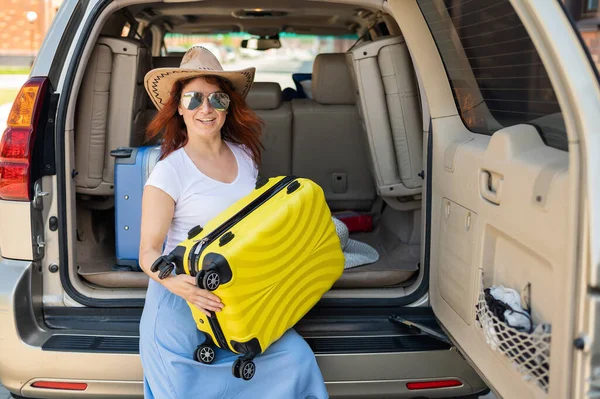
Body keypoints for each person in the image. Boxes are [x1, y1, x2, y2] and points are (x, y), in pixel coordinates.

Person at [138, 46, 329, 399]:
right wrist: (177, 283)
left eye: (217, 99)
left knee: (297, 358)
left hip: (239, 296)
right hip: (182, 302)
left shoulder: (245, 157)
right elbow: (148, 252)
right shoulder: (169, 172)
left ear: (229, 106)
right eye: (193, 99)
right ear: (178, 107)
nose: (206, 109)